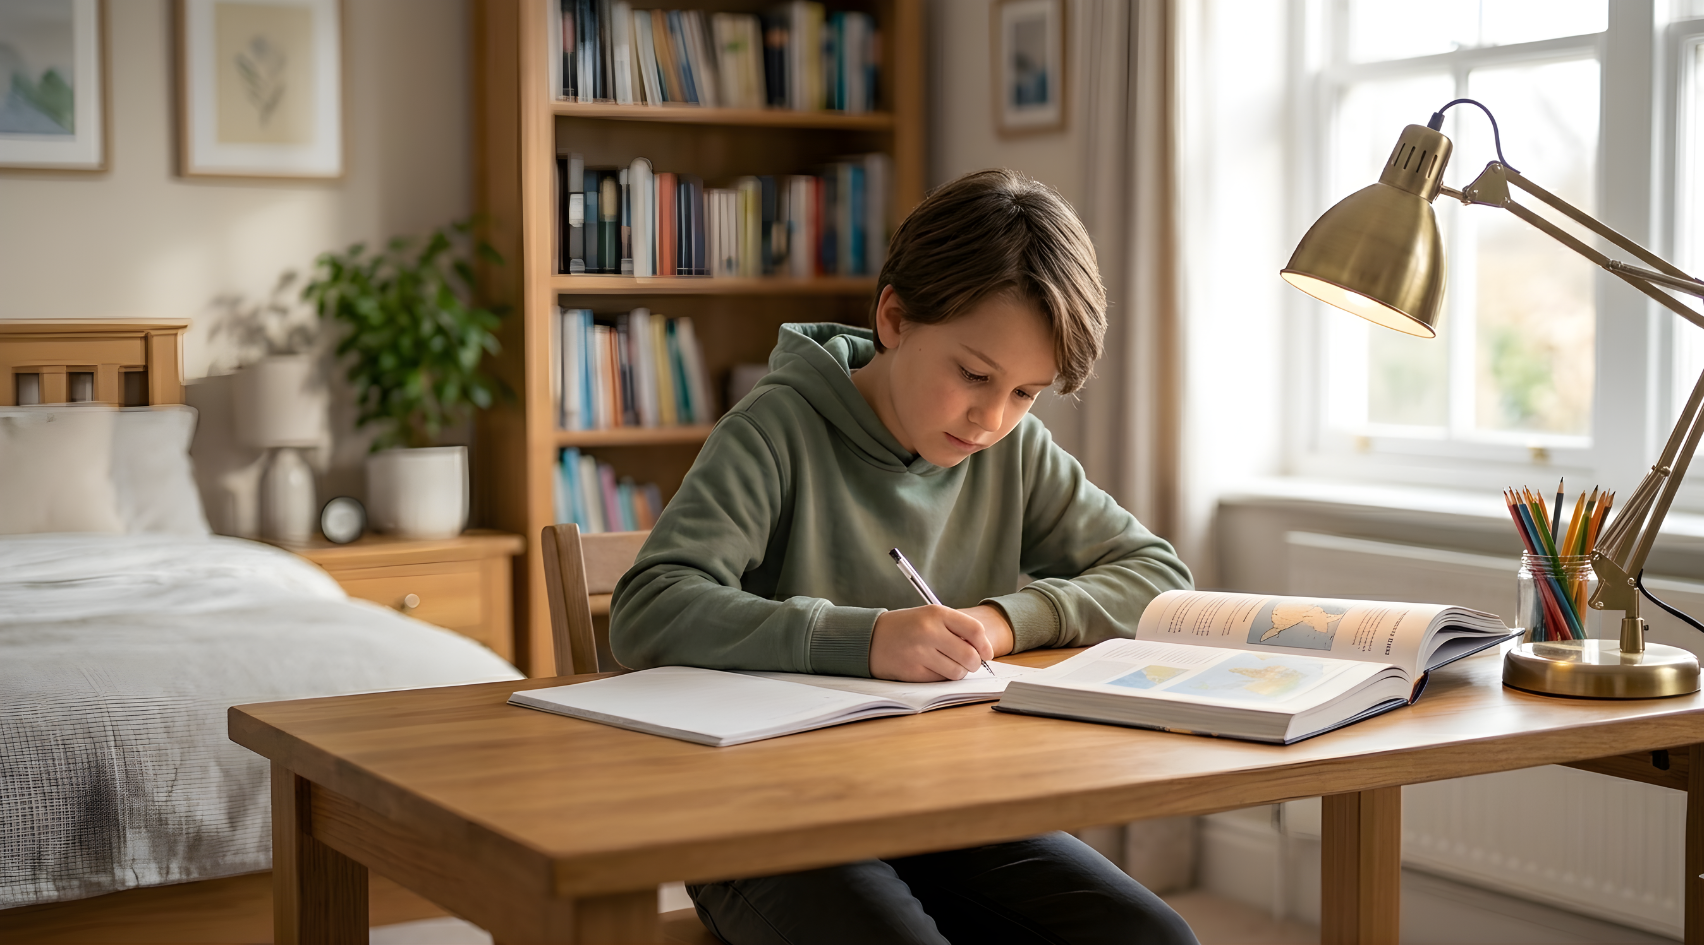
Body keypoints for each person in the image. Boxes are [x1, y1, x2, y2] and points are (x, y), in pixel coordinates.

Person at [609, 168, 1198, 945]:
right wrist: (865, 637)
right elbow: (647, 607)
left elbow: (1158, 576)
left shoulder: (1012, 449)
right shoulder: (775, 430)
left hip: (945, 806)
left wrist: (999, 622)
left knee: (1154, 938)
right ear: (894, 317)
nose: (992, 417)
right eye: (975, 375)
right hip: (763, 822)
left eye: (1026, 392)